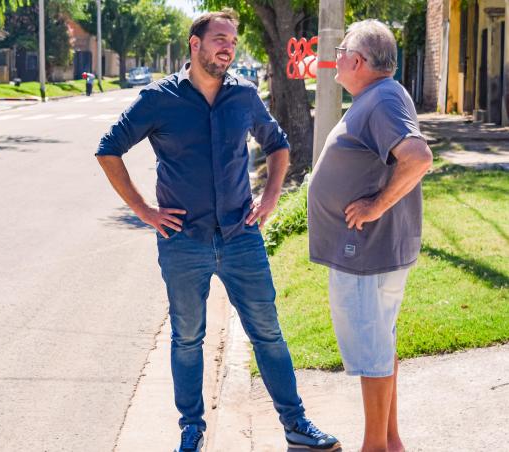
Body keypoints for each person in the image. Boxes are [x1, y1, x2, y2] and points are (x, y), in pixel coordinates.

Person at [95, 9, 340, 452]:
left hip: (240, 237)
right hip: (182, 241)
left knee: (267, 330)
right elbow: (108, 149)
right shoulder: (158, 99)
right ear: (195, 44)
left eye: (231, 40)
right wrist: (144, 210)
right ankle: (192, 429)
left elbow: (278, 145)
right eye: (219, 39)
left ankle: (296, 423)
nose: (228, 46)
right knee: (188, 336)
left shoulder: (243, 96)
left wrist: (268, 200)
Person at [308, 19, 433, 452]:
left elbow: (418, 158)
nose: (336, 60)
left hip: (365, 252)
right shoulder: (381, 95)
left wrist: (375, 205)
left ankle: (375, 447)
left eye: (341, 52)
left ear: (357, 60)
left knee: (374, 351)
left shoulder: (380, 100)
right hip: (373, 251)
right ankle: (390, 441)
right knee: (380, 344)